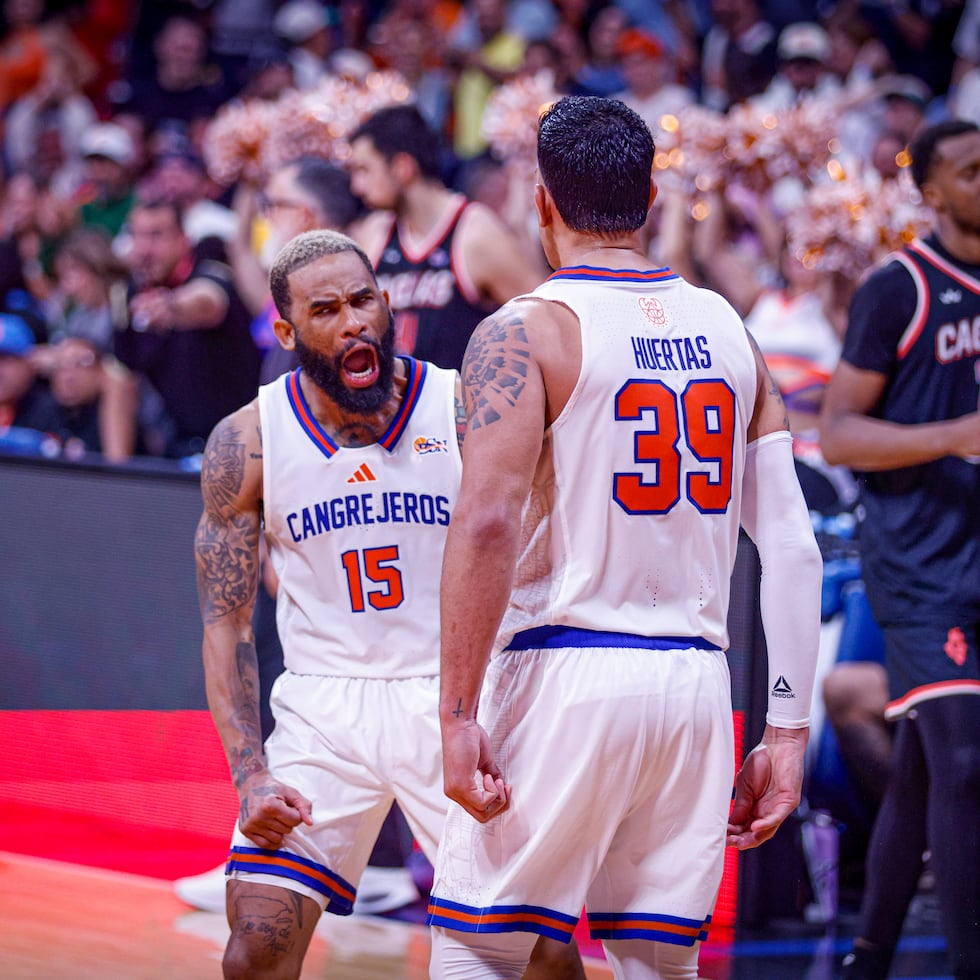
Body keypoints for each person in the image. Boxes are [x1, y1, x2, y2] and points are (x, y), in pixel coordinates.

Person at [426, 95, 823, 979]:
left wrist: (455, 714)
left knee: (477, 945)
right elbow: (792, 546)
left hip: (565, 666)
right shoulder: (735, 332)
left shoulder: (526, 331)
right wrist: (788, 731)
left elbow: (487, 522)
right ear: (650, 195)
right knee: (656, 965)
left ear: (540, 202)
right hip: (692, 687)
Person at [195, 229, 582, 979]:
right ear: (286, 331)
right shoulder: (247, 444)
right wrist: (250, 775)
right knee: (253, 952)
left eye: (366, 299)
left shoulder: (465, 408)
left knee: (542, 955)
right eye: (328, 309)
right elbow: (227, 626)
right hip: (322, 709)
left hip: (457, 700)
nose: (355, 323)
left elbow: (547, 546)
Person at [819, 119, 980, 980]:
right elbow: (839, 436)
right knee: (965, 754)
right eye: (971, 170)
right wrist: (957, 434)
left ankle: (869, 959)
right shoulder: (901, 289)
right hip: (919, 560)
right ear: (931, 190)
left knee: (924, 771)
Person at [347, 103, 546, 372]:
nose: (356, 187)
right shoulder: (374, 233)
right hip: (392, 410)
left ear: (403, 167)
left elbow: (543, 323)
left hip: (458, 408)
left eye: (364, 170)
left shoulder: (475, 233)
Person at [115, 198, 260, 460]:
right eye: (137, 236)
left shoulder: (210, 267)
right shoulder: (129, 293)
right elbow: (125, 373)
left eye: (156, 235)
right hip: (177, 445)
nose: (144, 249)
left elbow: (209, 300)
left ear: (183, 239)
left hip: (241, 444)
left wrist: (170, 307)